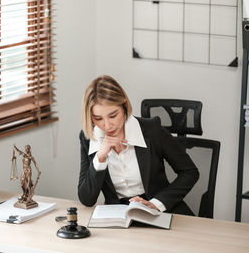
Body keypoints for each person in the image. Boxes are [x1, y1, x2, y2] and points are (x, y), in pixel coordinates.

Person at [78, 75, 199, 215]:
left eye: (113, 115)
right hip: (120, 215)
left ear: (123, 104)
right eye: (98, 118)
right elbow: (87, 199)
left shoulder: (152, 129)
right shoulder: (89, 138)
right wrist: (100, 158)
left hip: (161, 210)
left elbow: (190, 172)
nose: (107, 125)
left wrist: (156, 204)